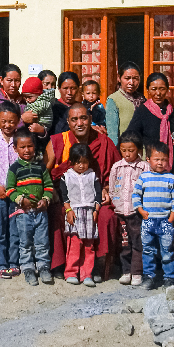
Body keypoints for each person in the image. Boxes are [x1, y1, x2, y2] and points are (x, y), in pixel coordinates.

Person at [45, 103, 121, 282]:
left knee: (106, 216)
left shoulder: (104, 142)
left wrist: (107, 189)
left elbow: (117, 172)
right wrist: (52, 191)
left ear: (91, 119)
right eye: (74, 119)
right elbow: (45, 172)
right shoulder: (58, 141)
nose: (79, 123)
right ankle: (62, 264)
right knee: (58, 212)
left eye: (83, 118)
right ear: (69, 123)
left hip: (94, 199)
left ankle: (97, 265)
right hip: (68, 199)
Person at [5, 130, 54, 286]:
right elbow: (10, 189)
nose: (27, 150)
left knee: (42, 241)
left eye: (30, 146)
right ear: (15, 148)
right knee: (25, 242)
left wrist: (46, 200)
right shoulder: (14, 169)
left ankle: (43, 267)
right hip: (23, 213)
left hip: (41, 212)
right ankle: (27, 268)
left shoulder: (41, 167)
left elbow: (48, 186)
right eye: (22, 147)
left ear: (35, 147)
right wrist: (21, 200)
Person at [132, 141, 174, 290]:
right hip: (148, 221)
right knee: (148, 250)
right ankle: (149, 277)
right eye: (157, 159)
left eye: (164, 159)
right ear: (148, 160)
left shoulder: (172, 178)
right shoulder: (144, 177)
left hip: (165, 221)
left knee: (167, 251)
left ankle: (169, 278)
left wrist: (172, 217)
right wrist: (140, 210)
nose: (160, 163)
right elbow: (136, 195)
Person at [0, 102, 22, 279]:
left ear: (18, 121)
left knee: (15, 229)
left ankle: (14, 262)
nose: (7, 125)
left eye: (11, 121)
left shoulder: (21, 141)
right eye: (4, 121)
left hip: (17, 193)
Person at [107, 131, 147, 286]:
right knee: (124, 242)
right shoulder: (117, 167)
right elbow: (112, 188)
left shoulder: (144, 167)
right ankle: (126, 271)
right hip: (120, 211)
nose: (127, 154)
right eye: (124, 150)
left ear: (138, 150)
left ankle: (137, 272)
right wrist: (115, 203)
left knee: (138, 242)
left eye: (131, 150)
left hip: (136, 212)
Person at [125, 72, 174, 173]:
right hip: (151, 167)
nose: (158, 93)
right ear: (147, 90)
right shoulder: (142, 112)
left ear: (167, 90)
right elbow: (132, 137)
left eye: (162, 89)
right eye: (154, 89)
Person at [58, 143, 100, 287]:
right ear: (72, 162)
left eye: (84, 162)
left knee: (89, 245)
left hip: (89, 212)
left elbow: (98, 194)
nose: (81, 166)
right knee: (74, 244)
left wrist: (96, 210)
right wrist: (68, 211)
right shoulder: (66, 177)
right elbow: (64, 195)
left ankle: (87, 274)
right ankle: (71, 273)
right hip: (74, 212)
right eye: (77, 162)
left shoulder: (92, 175)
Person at [105, 61, 144, 145]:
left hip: (142, 151)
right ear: (119, 78)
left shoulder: (142, 100)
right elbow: (112, 133)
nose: (131, 82)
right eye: (127, 78)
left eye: (135, 78)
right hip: (124, 152)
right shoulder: (113, 100)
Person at [49, 71, 81, 136]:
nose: (69, 92)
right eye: (65, 88)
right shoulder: (52, 107)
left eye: (73, 88)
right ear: (59, 89)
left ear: (78, 89)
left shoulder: (81, 109)